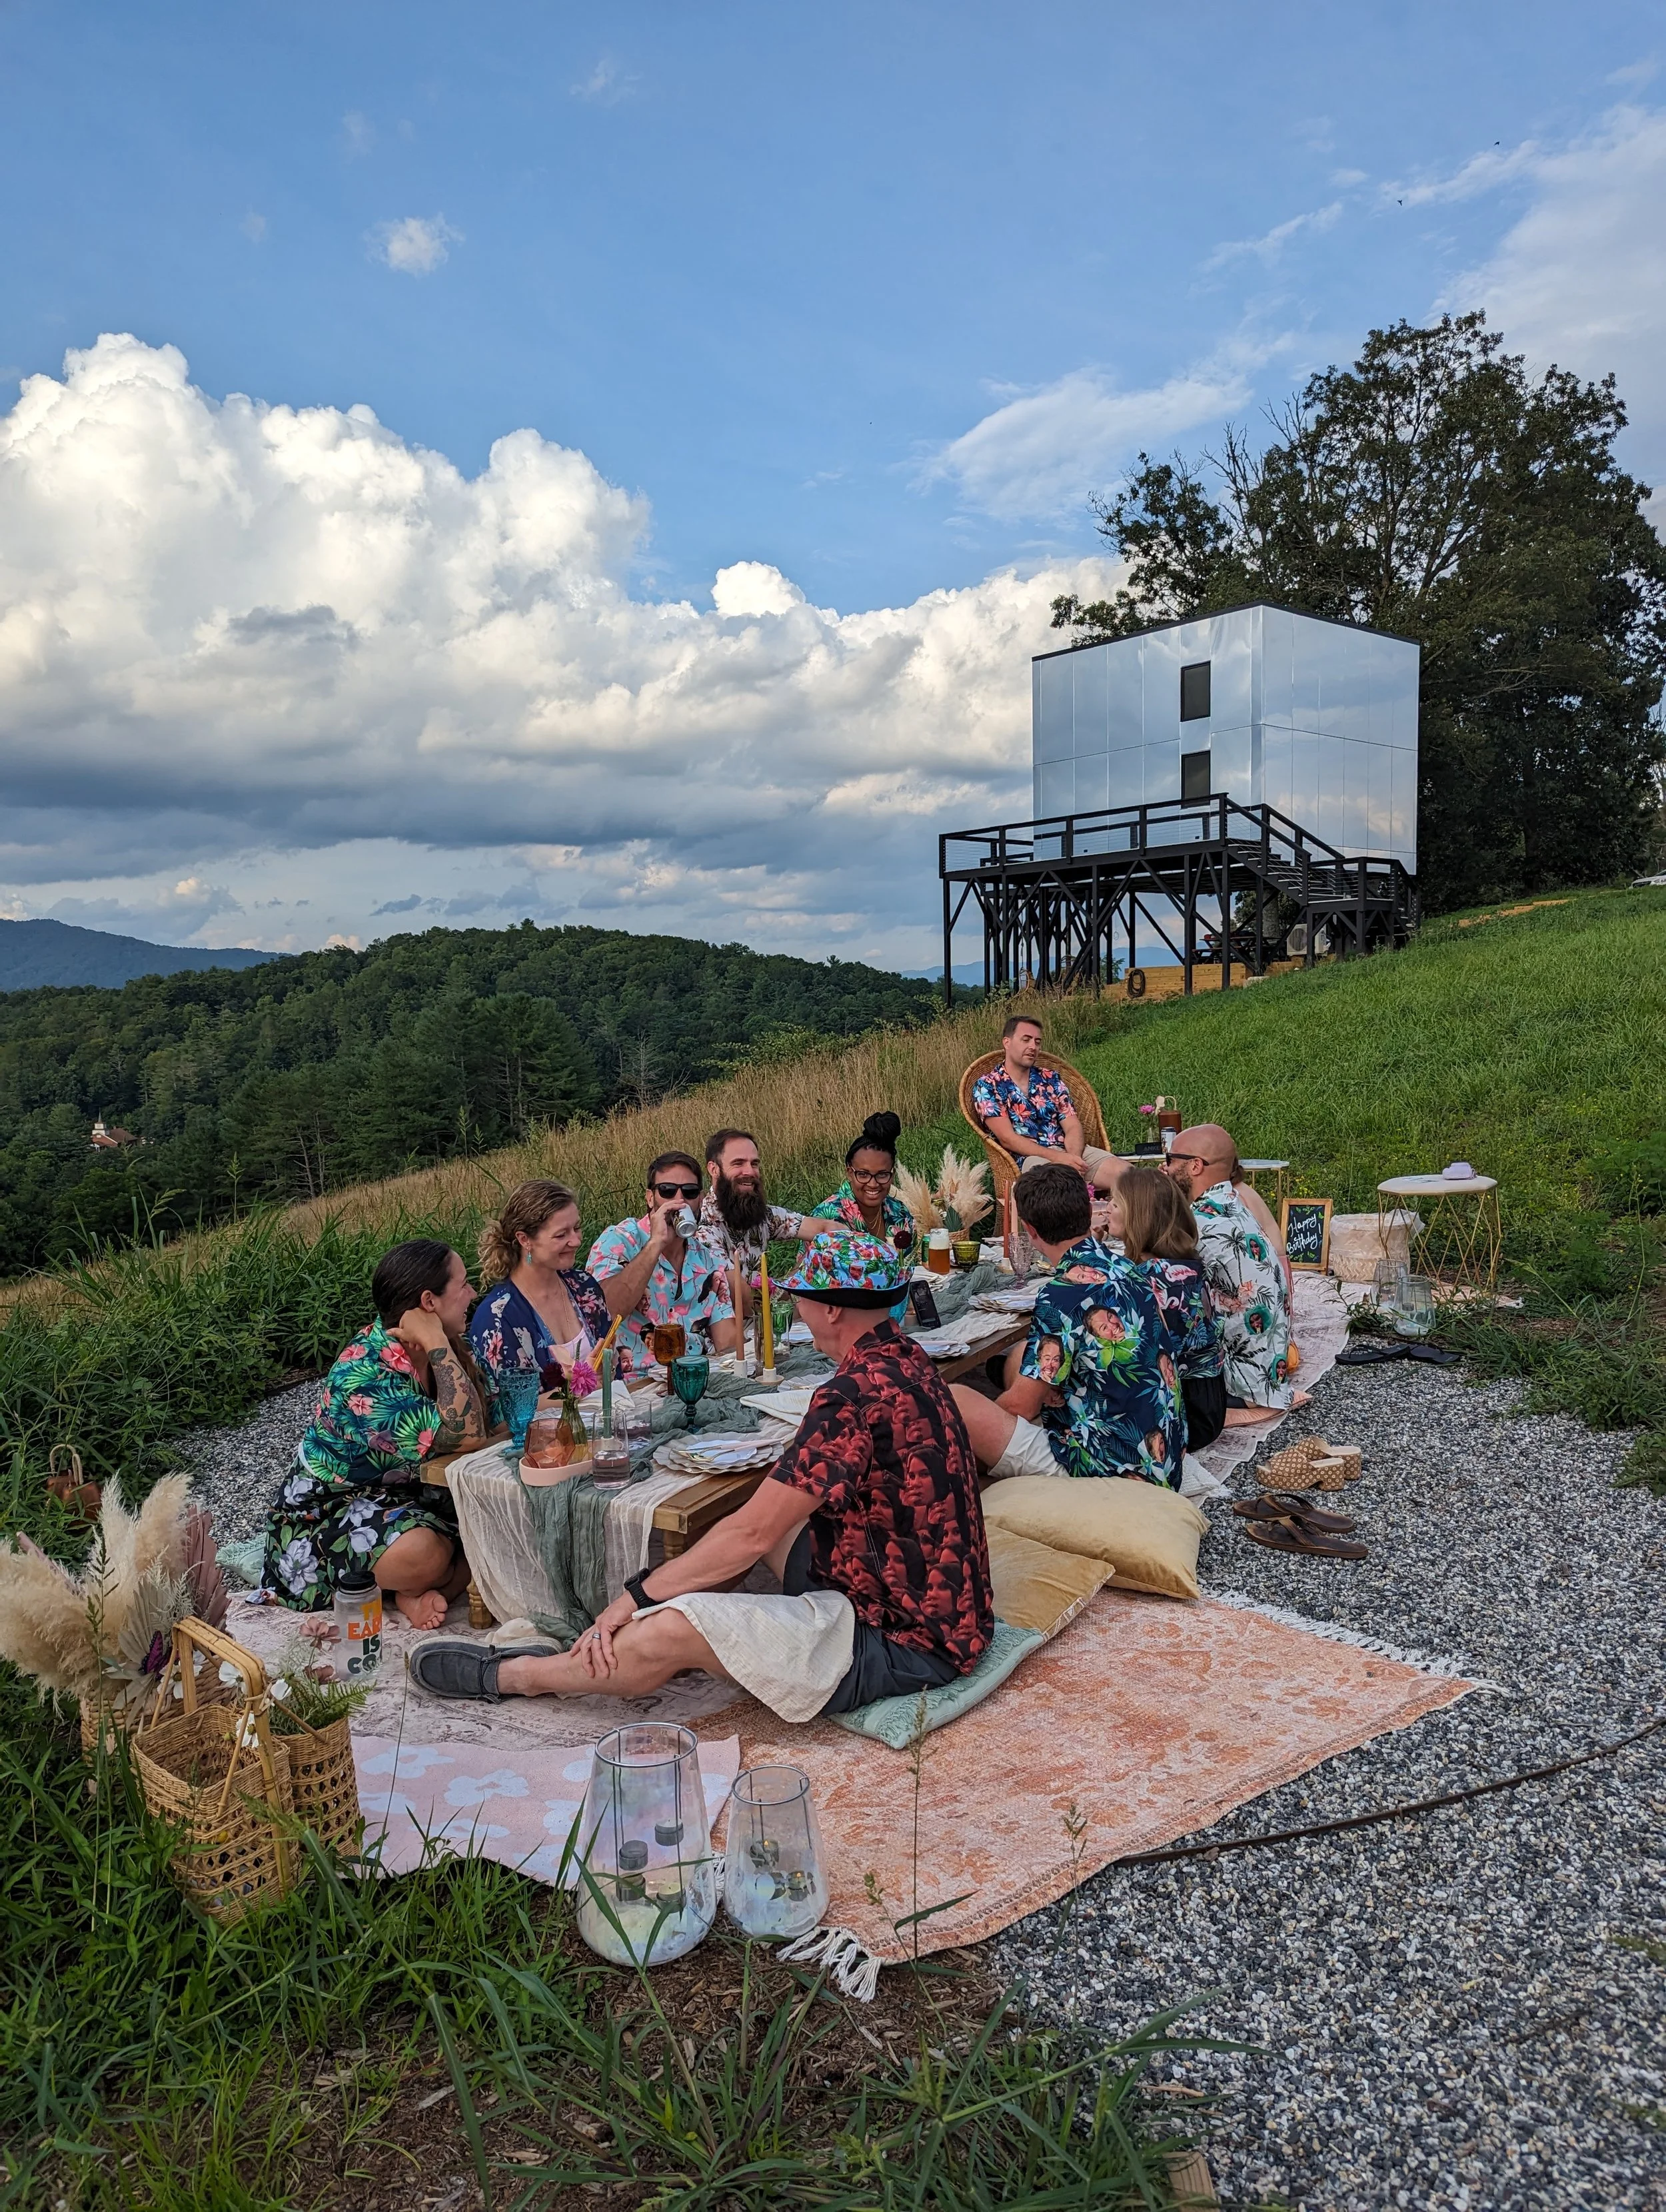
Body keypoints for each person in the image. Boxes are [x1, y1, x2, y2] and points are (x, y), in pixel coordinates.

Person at [407, 1235, 994, 1722]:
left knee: (671, 1620)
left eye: (801, 1301)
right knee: (745, 1526)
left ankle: (522, 1675)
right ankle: (713, 1629)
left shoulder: (851, 1395)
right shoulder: (906, 1358)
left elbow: (751, 1537)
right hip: (932, 1599)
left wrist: (635, 1598)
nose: (797, 1311)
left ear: (832, 1309)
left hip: (903, 1640)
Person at [259, 1240, 486, 1627]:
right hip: (330, 1513)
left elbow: (491, 1416)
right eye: (464, 1284)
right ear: (428, 1302)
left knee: (500, 1532)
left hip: (411, 1494)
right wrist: (434, 1341)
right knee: (429, 1553)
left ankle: (416, 1592)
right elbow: (470, 1433)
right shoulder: (366, 1374)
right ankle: (406, 1590)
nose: (473, 1293)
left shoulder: (446, 1347)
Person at [950, 1165, 1184, 1488]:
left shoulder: (1061, 1295)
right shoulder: (1127, 1267)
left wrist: (987, 1426)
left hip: (1111, 1470)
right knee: (1021, 1357)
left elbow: (1021, 1405)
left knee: (958, 1401)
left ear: (1031, 1230)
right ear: (1088, 1211)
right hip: (1163, 1456)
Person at [1163, 1124, 1305, 1424]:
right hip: (1266, 1369)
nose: (1165, 1167)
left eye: (1170, 1159)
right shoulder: (1231, 1205)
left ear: (1195, 1166)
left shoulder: (1203, 1224)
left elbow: (1159, 1285)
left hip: (1243, 1382)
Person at [587, 1153, 741, 1369]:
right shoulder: (620, 1240)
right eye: (667, 1191)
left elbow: (728, 1344)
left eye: (690, 1192)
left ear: (700, 1199)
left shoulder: (706, 1258)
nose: (679, 1200)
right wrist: (656, 1244)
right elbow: (606, 1312)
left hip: (690, 1378)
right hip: (632, 1386)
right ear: (650, 1198)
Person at [469, 1179, 620, 1391]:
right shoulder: (497, 1319)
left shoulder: (584, 1287)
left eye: (577, 1228)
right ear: (524, 1239)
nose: (576, 1241)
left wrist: (608, 1372)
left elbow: (614, 1371)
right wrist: (578, 1387)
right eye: (561, 1235)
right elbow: (503, 1415)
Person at [1116, 1167, 1227, 1451]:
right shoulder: (1182, 1265)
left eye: (1115, 1203)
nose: (1106, 1210)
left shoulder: (1152, 1278)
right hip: (1207, 1401)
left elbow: (1137, 1358)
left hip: (1187, 1415)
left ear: (1137, 1216)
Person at [971, 1014, 1119, 1192]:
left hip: (1069, 1151)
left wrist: (1071, 1158)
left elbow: (1072, 1126)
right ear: (1007, 1042)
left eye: (1038, 1042)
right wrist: (1057, 1158)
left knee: (1129, 1177)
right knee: (1055, 1189)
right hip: (1029, 1159)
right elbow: (1008, 1139)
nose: (1033, 1046)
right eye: (1026, 1040)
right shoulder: (988, 1085)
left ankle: (1124, 1218)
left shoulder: (1051, 1079)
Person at [698, 1128, 856, 1281]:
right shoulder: (702, 1228)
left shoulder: (764, 1215)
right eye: (738, 1163)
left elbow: (826, 1229)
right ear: (714, 1169)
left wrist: (798, 1276)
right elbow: (740, 1295)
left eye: (754, 1164)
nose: (750, 1172)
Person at [810, 1111, 916, 1255]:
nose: (873, 1184)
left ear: (892, 1175)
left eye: (882, 1175)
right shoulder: (825, 1217)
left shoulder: (899, 1212)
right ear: (850, 1173)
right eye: (863, 1174)